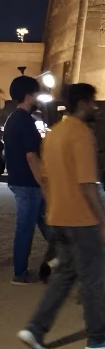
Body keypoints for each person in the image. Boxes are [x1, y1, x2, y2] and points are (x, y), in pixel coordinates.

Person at [17, 83, 105, 349]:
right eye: (93, 102)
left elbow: (45, 179)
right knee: (93, 278)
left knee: (64, 276)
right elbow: (87, 184)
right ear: (83, 103)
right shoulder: (82, 134)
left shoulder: (53, 134)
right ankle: (98, 337)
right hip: (81, 219)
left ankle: (36, 329)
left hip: (58, 218)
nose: (96, 107)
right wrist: (104, 225)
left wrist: (53, 209)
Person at [4, 75, 52, 284]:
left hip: (21, 181)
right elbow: (31, 157)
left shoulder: (13, 119)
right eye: (36, 93)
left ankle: (63, 259)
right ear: (29, 95)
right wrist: (43, 184)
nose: (38, 97)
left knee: (46, 223)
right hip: (28, 184)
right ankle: (20, 272)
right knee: (26, 227)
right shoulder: (24, 121)